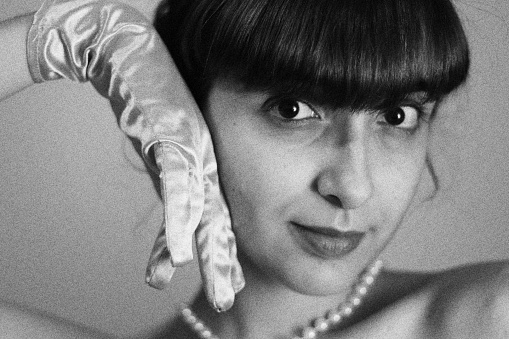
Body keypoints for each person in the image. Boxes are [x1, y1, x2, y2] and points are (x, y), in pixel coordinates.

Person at [0, 0, 508, 339]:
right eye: (291, 109)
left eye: (397, 116)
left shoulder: (488, 316)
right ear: (184, 114)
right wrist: (59, 37)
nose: (353, 186)